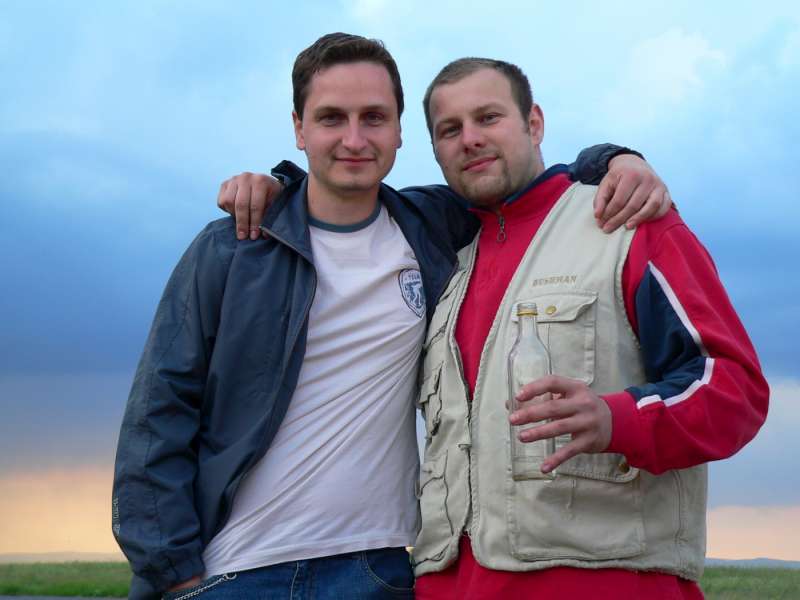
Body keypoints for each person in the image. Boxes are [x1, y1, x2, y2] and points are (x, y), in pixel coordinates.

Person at [112, 34, 669, 600]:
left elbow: (531, 178)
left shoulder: (434, 226)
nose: (354, 139)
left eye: (373, 118)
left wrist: (618, 160)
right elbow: (159, 411)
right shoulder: (233, 248)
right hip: (234, 571)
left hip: (376, 570)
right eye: (331, 118)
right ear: (299, 129)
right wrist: (173, 570)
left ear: (400, 131)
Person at [406, 59, 768, 599]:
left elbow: (735, 389)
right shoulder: (443, 261)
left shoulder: (627, 222)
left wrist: (617, 418)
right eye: (449, 129)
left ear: (534, 124)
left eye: (488, 117)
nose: (470, 139)